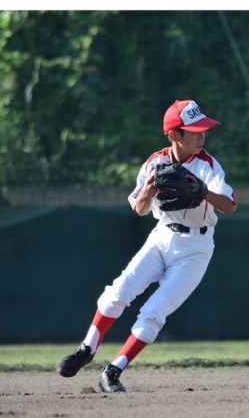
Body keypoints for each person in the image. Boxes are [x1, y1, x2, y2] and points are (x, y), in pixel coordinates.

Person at [56, 99, 236, 392]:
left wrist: (203, 192)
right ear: (175, 134)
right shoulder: (155, 162)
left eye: (203, 129)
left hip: (196, 247)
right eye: (195, 130)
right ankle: (86, 348)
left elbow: (229, 206)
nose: (202, 135)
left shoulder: (209, 165)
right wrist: (149, 190)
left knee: (154, 312)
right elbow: (139, 209)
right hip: (162, 236)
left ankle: (113, 371)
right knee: (118, 291)